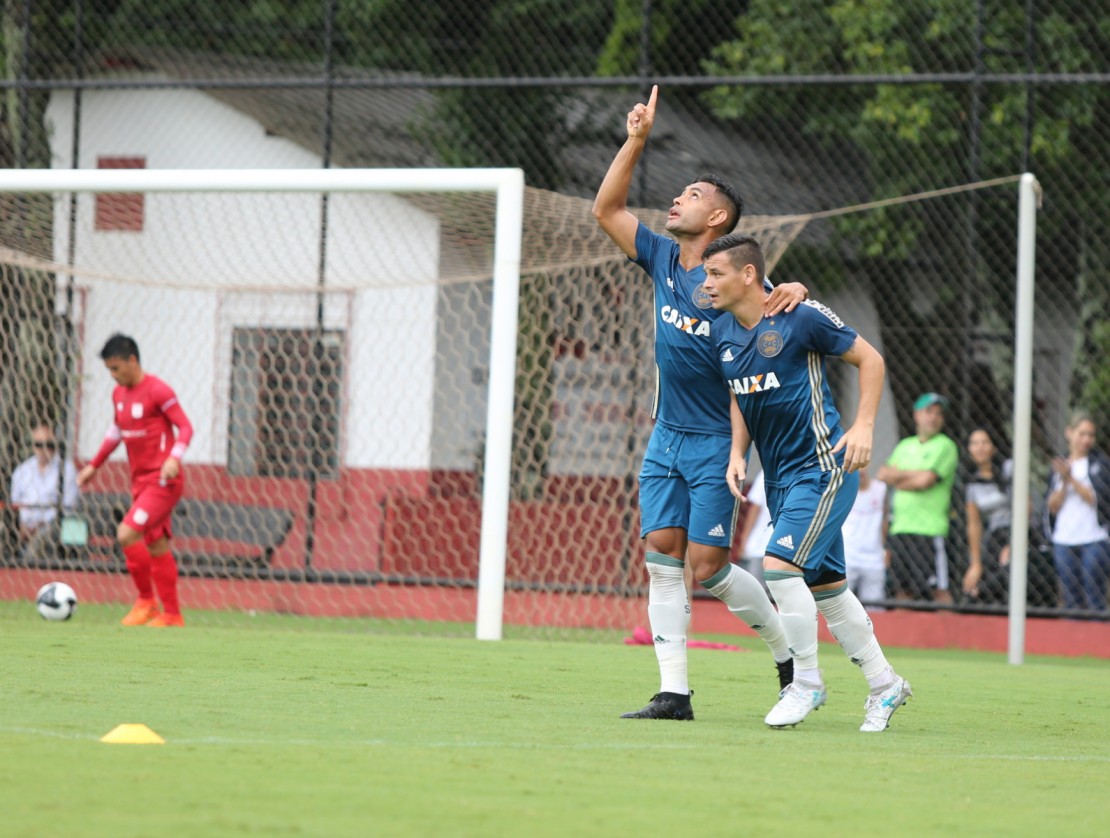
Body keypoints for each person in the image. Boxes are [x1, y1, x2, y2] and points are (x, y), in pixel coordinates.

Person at [592, 85, 808, 720]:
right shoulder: (661, 257)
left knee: (709, 567)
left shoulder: (739, 284)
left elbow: (774, 339)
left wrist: (795, 290)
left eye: (691, 195)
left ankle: (788, 655)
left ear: (717, 218)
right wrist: (635, 140)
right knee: (662, 556)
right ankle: (674, 693)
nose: (677, 199)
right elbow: (606, 209)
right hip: (666, 435)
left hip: (718, 441)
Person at [704, 233, 911, 732]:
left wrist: (863, 427)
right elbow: (740, 394)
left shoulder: (801, 316)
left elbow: (871, 359)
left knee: (778, 567)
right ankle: (885, 685)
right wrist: (737, 452)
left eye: (715, 273)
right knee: (829, 590)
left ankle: (806, 682)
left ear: (748, 275)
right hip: (781, 480)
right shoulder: (722, 331)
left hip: (823, 468)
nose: (706, 283)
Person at [77, 334, 194, 627]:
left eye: (116, 368)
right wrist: (94, 465)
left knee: (127, 533)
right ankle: (172, 614)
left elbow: (185, 427)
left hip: (163, 481)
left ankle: (146, 602)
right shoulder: (118, 395)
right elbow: (116, 432)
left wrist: (173, 458)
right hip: (140, 482)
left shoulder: (158, 390)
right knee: (156, 545)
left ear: (132, 360)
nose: (113, 375)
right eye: (109, 370)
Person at [877, 392, 959, 603]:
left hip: (930, 530)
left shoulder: (946, 446)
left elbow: (925, 481)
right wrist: (916, 475)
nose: (934, 417)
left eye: (939, 414)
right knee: (902, 592)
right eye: (929, 412)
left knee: (939, 592)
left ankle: (950, 627)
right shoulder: (905, 445)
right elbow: (883, 474)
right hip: (900, 529)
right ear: (916, 415)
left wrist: (899, 478)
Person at [1045, 411, 1110, 612]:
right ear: (1069, 433)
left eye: (1091, 435)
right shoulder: (1058, 466)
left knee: (1093, 595)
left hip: (1093, 538)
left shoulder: (1100, 463)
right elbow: (1052, 506)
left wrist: (1071, 479)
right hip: (1064, 539)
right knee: (1070, 598)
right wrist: (1064, 482)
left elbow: (1095, 498)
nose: (1086, 439)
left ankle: (1097, 631)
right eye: (1082, 434)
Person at [9, 423, 79, 561]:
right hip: (22, 526)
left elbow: (69, 507)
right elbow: (15, 504)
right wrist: (20, 526)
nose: (44, 449)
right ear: (33, 446)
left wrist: (38, 525)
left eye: (49, 445)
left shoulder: (67, 469)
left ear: (56, 445)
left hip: (51, 527)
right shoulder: (23, 470)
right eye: (39, 445)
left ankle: (27, 570)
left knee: (39, 541)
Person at [961, 428, 1014, 604]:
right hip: (995, 537)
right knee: (973, 588)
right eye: (975, 443)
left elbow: (1026, 509)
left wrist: (1014, 544)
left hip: (1018, 531)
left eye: (985, 442)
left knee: (1007, 565)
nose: (980, 447)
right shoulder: (972, 485)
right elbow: (974, 524)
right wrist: (975, 565)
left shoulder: (1009, 469)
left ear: (994, 447)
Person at [842, 468, 888, 611]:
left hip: (873, 558)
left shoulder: (881, 489)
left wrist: (884, 548)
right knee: (840, 605)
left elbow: (885, 521)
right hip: (847, 556)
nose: (859, 471)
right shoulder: (841, 489)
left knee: (875, 608)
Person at [737, 467, 772, 590]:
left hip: (762, 544)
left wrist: (744, 538)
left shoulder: (767, 471)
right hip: (767, 544)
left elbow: (755, 508)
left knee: (754, 589)